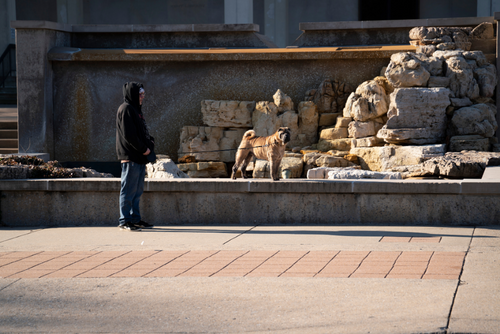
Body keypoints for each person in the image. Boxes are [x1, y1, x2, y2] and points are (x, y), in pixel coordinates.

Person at [116, 82, 155, 231]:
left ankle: (135, 219)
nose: (142, 97)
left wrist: (150, 142)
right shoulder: (125, 109)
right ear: (132, 94)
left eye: (143, 94)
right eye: (140, 94)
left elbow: (140, 132)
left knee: (137, 191)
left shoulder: (135, 110)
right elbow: (129, 135)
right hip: (131, 157)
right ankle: (124, 220)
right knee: (128, 190)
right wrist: (143, 148)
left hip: (139, 157)